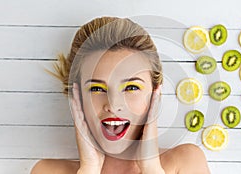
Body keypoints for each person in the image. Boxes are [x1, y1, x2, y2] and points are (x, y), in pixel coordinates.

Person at [31, 16, 210, 174]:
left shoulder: (186, 162)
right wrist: (89, 169)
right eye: (96, 89)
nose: (114, 104)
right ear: (77, 98)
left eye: (131, 88)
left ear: (155, 94)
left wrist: (151, 168)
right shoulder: (46, 171)